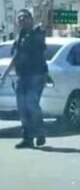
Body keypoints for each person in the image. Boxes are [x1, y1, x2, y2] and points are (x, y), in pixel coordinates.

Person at [0, 9, 48, 148]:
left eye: (24, 17)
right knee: (22, 107)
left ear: (30, 19)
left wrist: (44, 10)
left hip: (37, 75)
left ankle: (39, 132)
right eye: (19, 18)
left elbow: (44, 23)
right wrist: (4, 75)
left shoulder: (37, 33)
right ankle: (27, 137)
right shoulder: (19, 37)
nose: (21, 20)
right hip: (22, 76)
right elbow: (15, 58)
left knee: (31, 104)